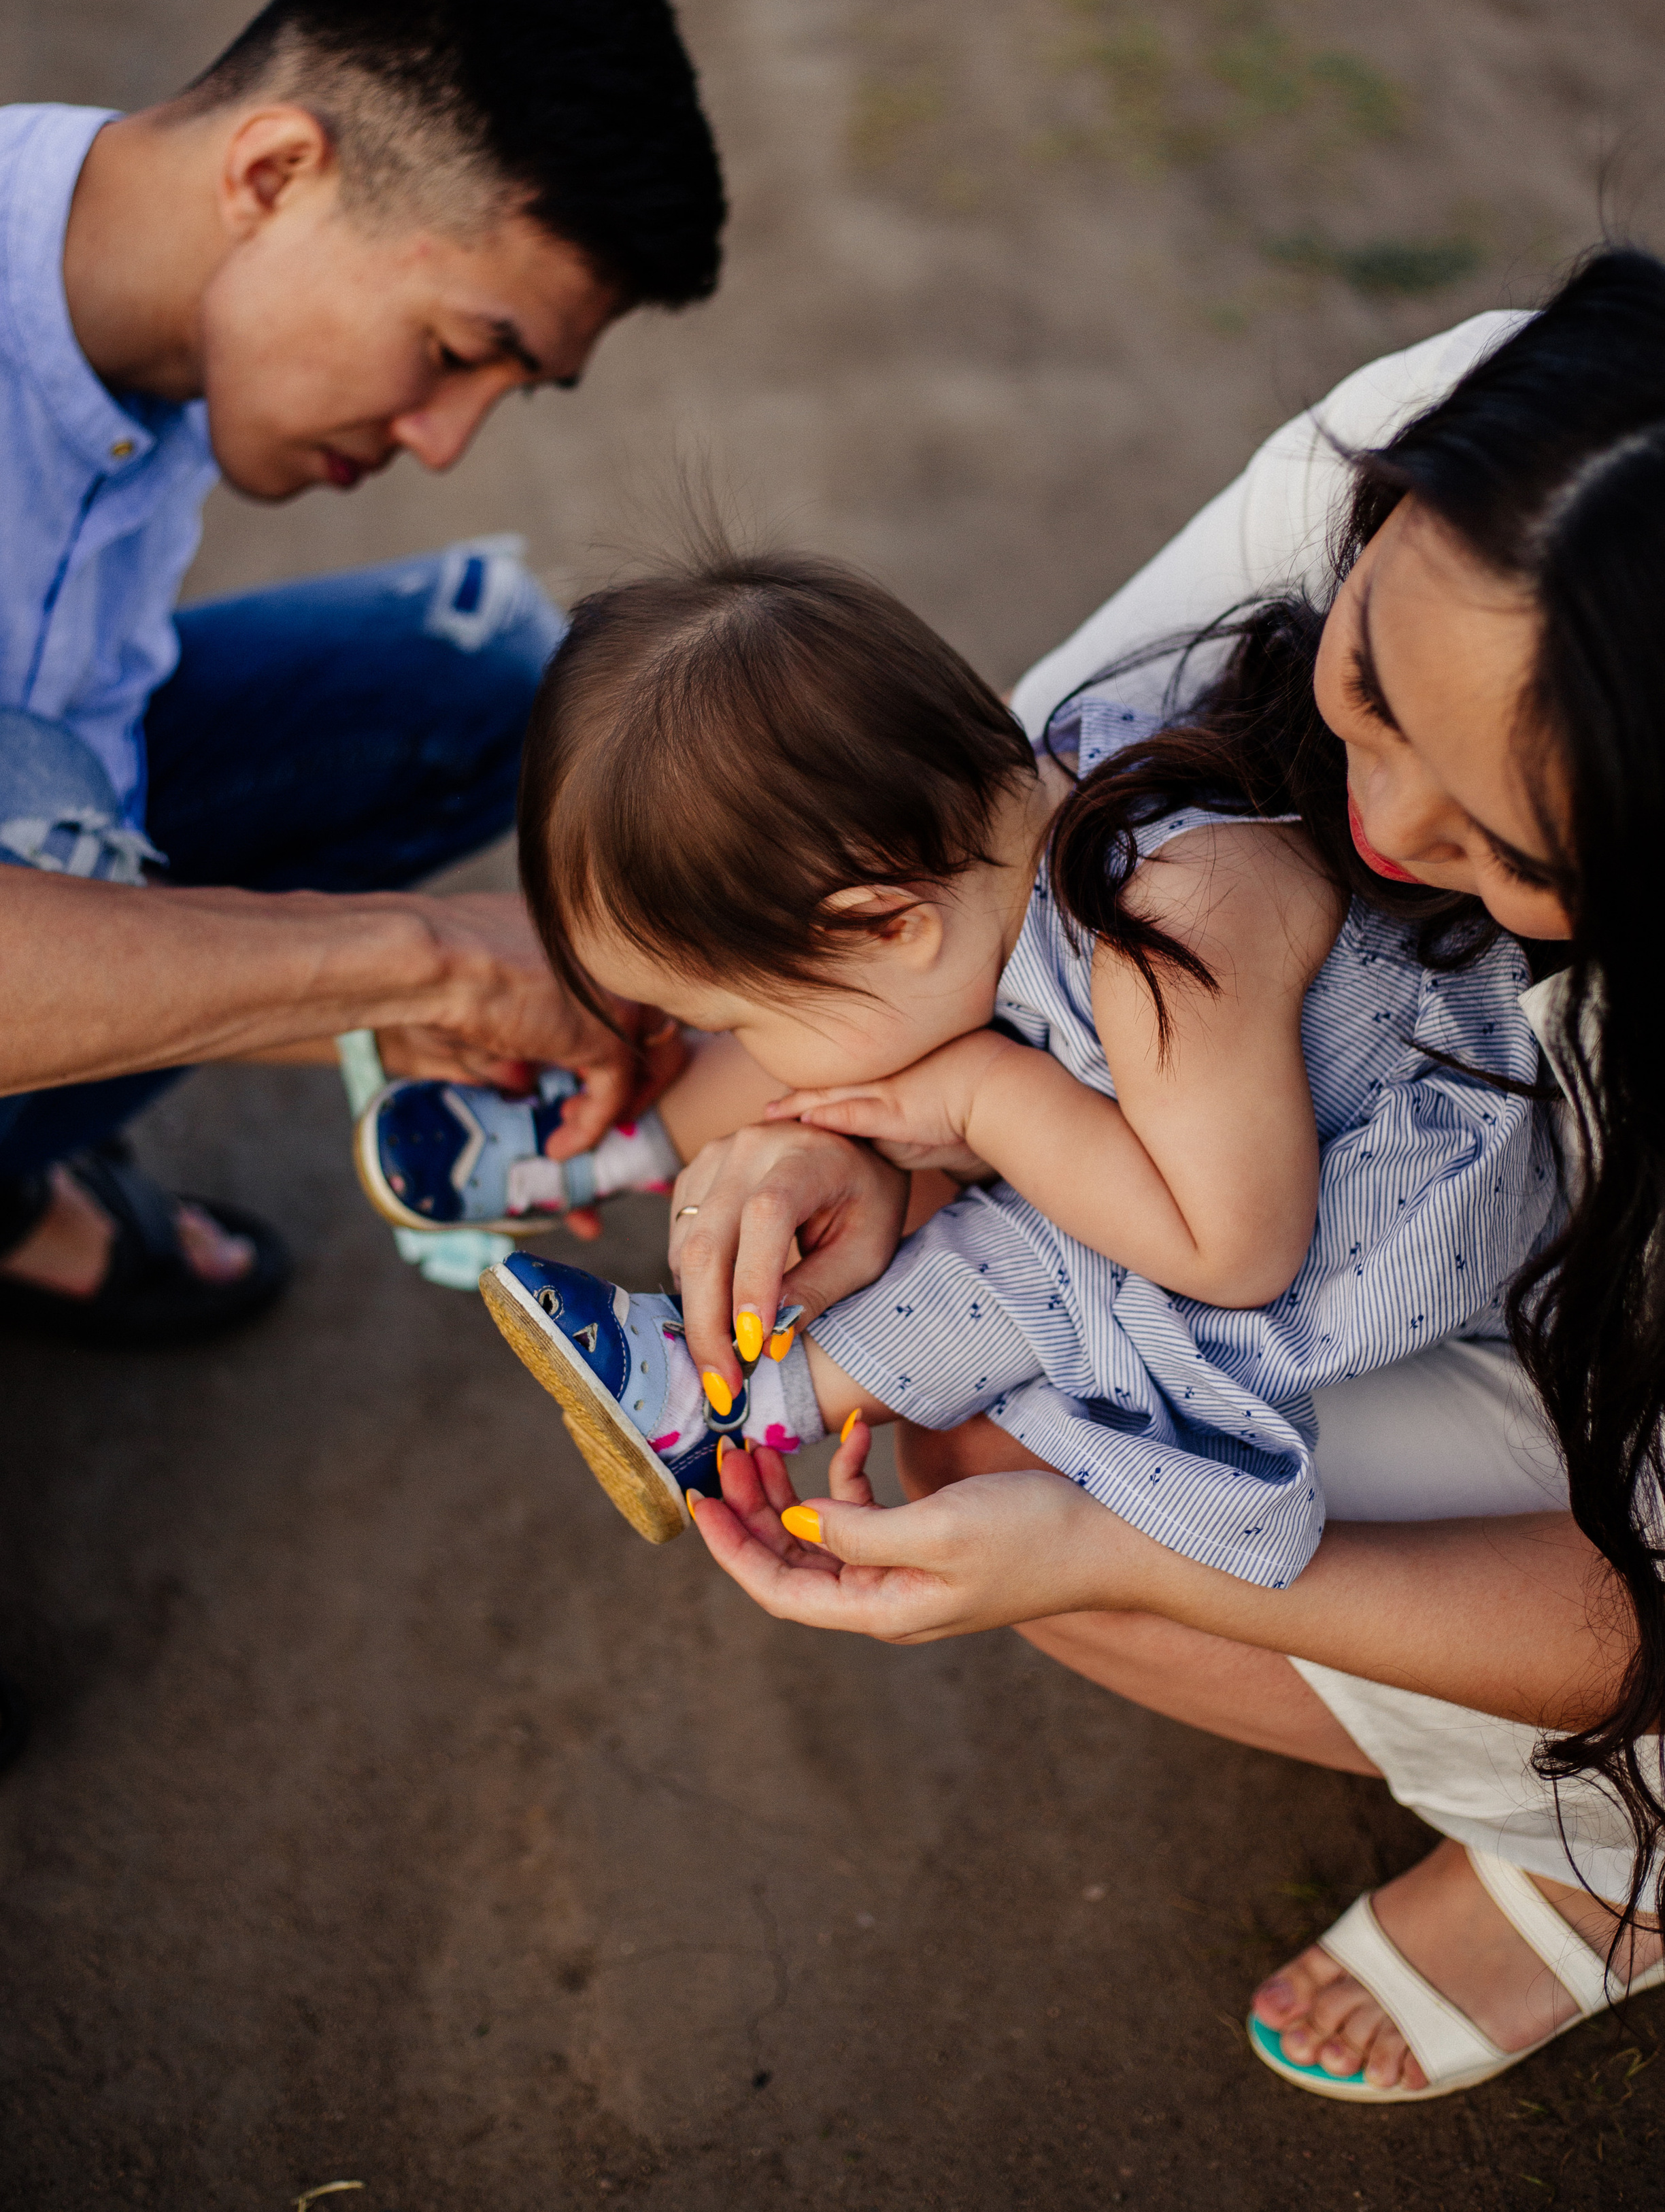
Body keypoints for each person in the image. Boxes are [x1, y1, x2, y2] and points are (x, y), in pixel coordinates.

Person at [633, 255, 1665, 2098]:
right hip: (1390, 1201)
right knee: (993, 1433)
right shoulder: (1523, 446)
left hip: (1477, 1301)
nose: (1381, 825)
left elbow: (1234, 1244)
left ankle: (1613, 1872)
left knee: (1099, 1476)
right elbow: (971, 849)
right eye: (1364, 679)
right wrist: (843, 1128)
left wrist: (1132, 1547)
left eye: (1505, 842)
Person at [0, 0, 726, 1790]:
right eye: (457, 348)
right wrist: (424, 972)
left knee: (495, 674)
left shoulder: (153, 352)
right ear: (275, 170)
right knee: (32, 831)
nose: (448, 437)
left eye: (505, 388)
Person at [448, 550, 1555, 1591]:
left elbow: (1236, 1254)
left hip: (1374, 1201)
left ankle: (713, 1410)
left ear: (888, 925)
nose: (743, 1045)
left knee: (1029, 1258)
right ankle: (592, 1137)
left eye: (729, 1020)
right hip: (1216, 1138)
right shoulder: (998, 842)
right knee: (869, 1065)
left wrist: (986, 1094)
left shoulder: (1166, 927)